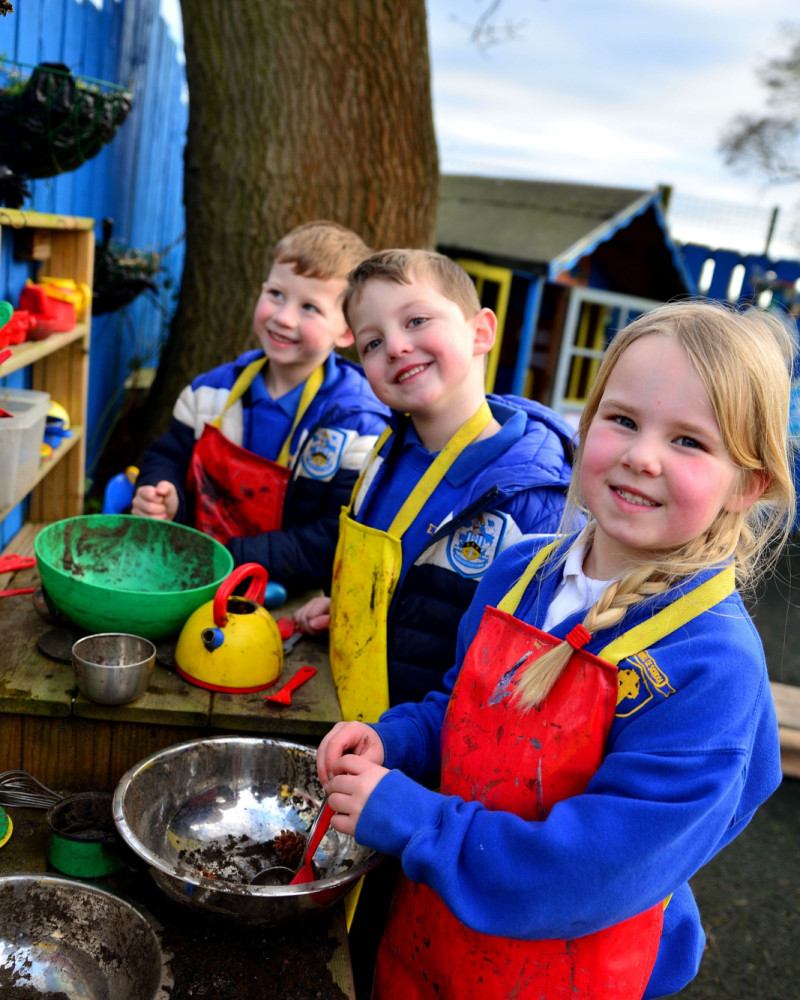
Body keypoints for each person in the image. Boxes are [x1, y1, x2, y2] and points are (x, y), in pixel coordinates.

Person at [316, 300, 794, 999]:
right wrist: (395, 744)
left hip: (559, 973)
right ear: (586, 423)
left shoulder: (711, 667)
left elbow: (589, 871)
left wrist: (412, 815)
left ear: (748, 484)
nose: (642, 455)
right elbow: (462, 707)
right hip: (431, 944)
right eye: (623, 420)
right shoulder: (519, 571)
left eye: (690, 441)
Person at [293, 248, 576, 720]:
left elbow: (525, 672)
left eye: (417, 320)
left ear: (480, 332)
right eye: (372, 344)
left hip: (435, 756)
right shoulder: (385, 455)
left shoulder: (534, 497)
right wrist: (349, 609)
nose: (397, 347)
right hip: (350, 715)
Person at [131, 220, 390, 595]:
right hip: (188, 572)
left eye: (310, 308)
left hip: (291, 594)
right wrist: (162, 494)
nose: (283, 317)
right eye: (276, 294)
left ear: (347, 332)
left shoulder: (358, 426)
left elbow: (334, 537)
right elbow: (167, 455)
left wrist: (229, 556)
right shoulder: (209, 393)